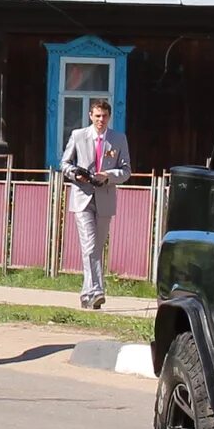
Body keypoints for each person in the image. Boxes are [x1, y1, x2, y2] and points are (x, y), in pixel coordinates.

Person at [60, 99, 127, 310]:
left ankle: (86, 293)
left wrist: (108, 175)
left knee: (97, 247)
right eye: (97, 116)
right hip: (82, 197)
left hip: (105, 198)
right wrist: (75, 174)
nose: (101, 120)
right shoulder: (78, 136)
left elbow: (126, 170)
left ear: (109, 117)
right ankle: (97, 291)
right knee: (89, 245)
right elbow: (64, 164)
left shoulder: (118, 139)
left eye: (104, 116)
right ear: (90, 116)